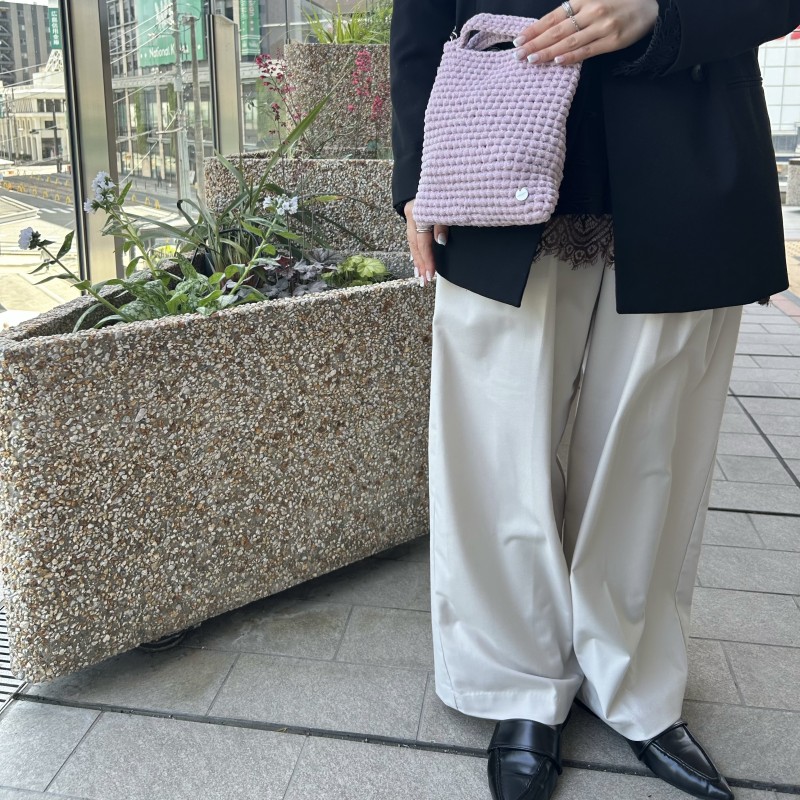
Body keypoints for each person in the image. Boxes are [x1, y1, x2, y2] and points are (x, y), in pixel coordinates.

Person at [390, 2, 800, 800]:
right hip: (490, 138)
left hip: (686, 143)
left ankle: (632, 675)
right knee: (494, 450)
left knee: (651, 454)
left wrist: (662, 12)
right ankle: (514, 682)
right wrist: (415, 172)